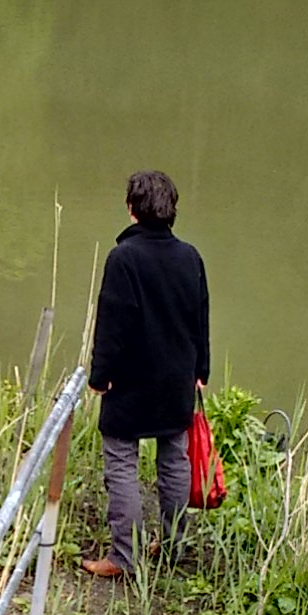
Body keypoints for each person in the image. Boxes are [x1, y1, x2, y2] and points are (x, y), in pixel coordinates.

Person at [82, 168, 210, 578]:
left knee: (121, 460)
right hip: (176, 379)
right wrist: (201, 368)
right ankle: (172, 548)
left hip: (131, 381)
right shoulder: (190, 257)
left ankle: (125, 557)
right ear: (171, 210)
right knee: (174, 459)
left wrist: (100, 376)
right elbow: (200, 319)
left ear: (132, 209)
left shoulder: (124, 258)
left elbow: (112, 325)